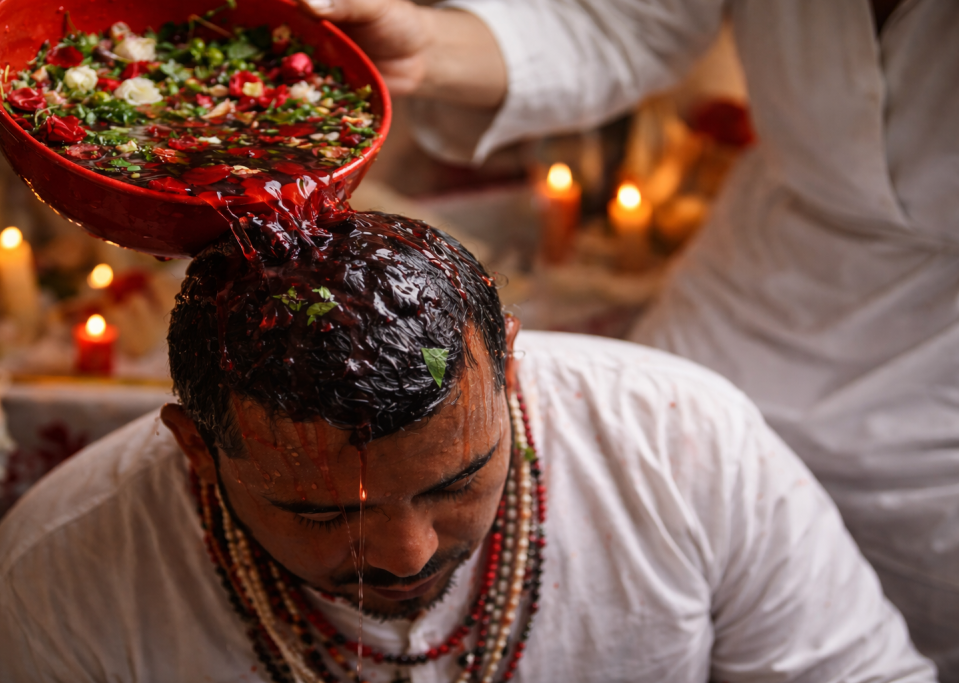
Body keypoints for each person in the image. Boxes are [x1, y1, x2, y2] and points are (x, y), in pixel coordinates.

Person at [0, 206, 935, 682]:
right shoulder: (56, 580)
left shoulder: (682, 444)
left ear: (512, 381)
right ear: (196, 451)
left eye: (457, 482)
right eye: (323, 510)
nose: (408, 552)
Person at [295, 0, 959, 676]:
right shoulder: (682, 407)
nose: (404, 552)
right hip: (752, 285)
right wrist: (427, 43)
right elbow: (630, 21)